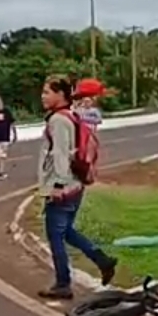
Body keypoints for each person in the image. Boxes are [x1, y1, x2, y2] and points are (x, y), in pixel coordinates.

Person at [37, 75, 116, 301]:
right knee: (67, 232)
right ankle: (103, 260)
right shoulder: (70, 116)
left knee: (56, 236)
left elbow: (61, 155)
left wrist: (58, 186)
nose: (43, 96)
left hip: (63, 188)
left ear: (61, 94)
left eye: (47, 92)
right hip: (75, 184)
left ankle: (63, 284)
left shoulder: (58, 120)